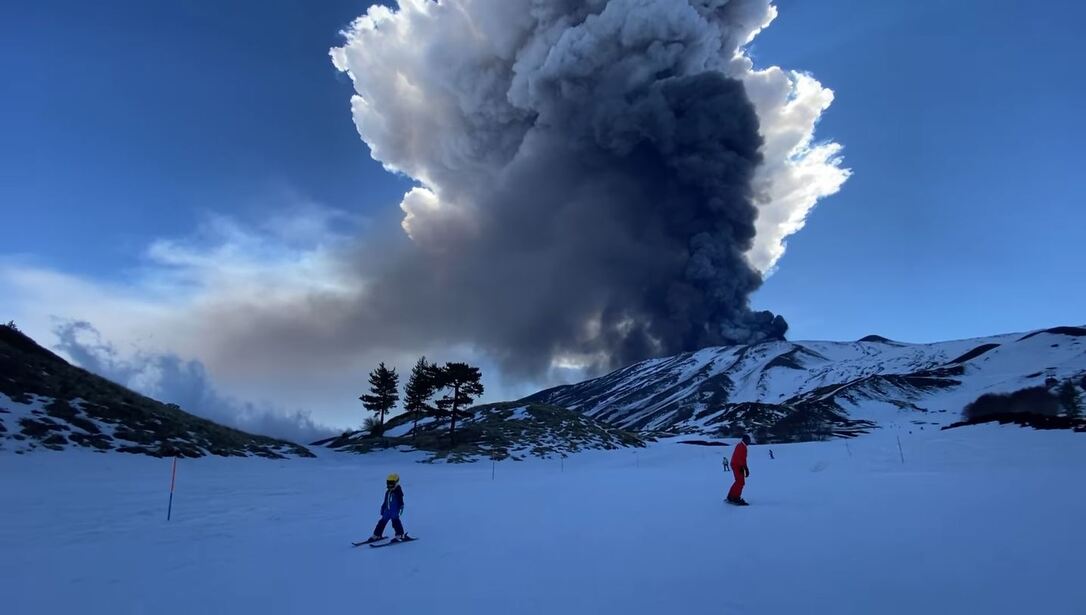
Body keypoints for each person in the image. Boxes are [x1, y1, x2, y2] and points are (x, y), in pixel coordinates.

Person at [368, 473, 410, 542]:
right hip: (387, 511)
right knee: (381, 522)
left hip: (394, 511)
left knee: (395, 523)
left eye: (392, 483)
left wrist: (401, 507)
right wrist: (383, 508)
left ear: (396, 483)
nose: (390, 485)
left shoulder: (398, 492)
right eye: (388, 483)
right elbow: (385, 501)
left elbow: (401, 500)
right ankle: (377, 535)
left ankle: (400, 535)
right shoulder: (388, 492)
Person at [727, 435, 751, 505]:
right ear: (745, 440)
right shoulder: (742, 447)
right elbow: (740, 458)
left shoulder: (741, 446)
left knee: (739, 482)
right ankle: (735, 497)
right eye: (748, 440)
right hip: (737, 465)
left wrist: (745, 468)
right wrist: (743, 468)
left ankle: (731, 496)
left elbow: (742, 458)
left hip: (737, 465)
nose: (749, 442)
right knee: (740, 482)